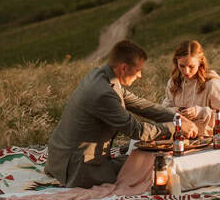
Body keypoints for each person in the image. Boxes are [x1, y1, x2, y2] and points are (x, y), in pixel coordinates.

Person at [44, 39, 199, 188]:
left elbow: (138, 104)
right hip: (78, 169)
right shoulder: (103, 94)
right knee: (152, 162)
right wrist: (175, 128)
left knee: (138, 154)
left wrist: (176, 118)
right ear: (124, 68)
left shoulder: (99, 75)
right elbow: (136, 130)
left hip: (58, 159)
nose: (140, 76)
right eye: (138, 71)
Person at [158, 40, 220, 133]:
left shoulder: (212, 84)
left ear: (200, 63)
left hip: (206, 141)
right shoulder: (173, 82)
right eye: (182, 66)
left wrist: (200, 112)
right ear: (176, 62)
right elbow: (164, 111)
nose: (186, 71)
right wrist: (176, 112)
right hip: (177, 139)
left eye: (191, 66)